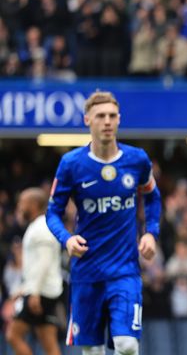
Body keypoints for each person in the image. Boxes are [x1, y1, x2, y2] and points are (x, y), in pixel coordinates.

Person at [46, 91, 161, 355]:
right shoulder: (71, 164)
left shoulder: (137, 160)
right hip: (87, 270)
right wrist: (67, 239)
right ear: (88, 120)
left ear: (119, 120)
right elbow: (52, 213)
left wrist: (151, 233)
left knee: (127, 345)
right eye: (100, 116)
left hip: (125, 270)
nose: (107, 121)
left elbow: (153, 197)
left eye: (112, 116)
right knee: (92, 350)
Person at [6, 188, 63, 355]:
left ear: (34, 204)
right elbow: (36, 266)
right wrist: (23, 290)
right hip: (46, 292)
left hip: (40, 294)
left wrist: (34, 293)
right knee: (49, 344)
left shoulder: (41, 228)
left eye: (22, 203)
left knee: (13, 335)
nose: (19, 207)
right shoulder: (41, 226)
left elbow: (43, 263)